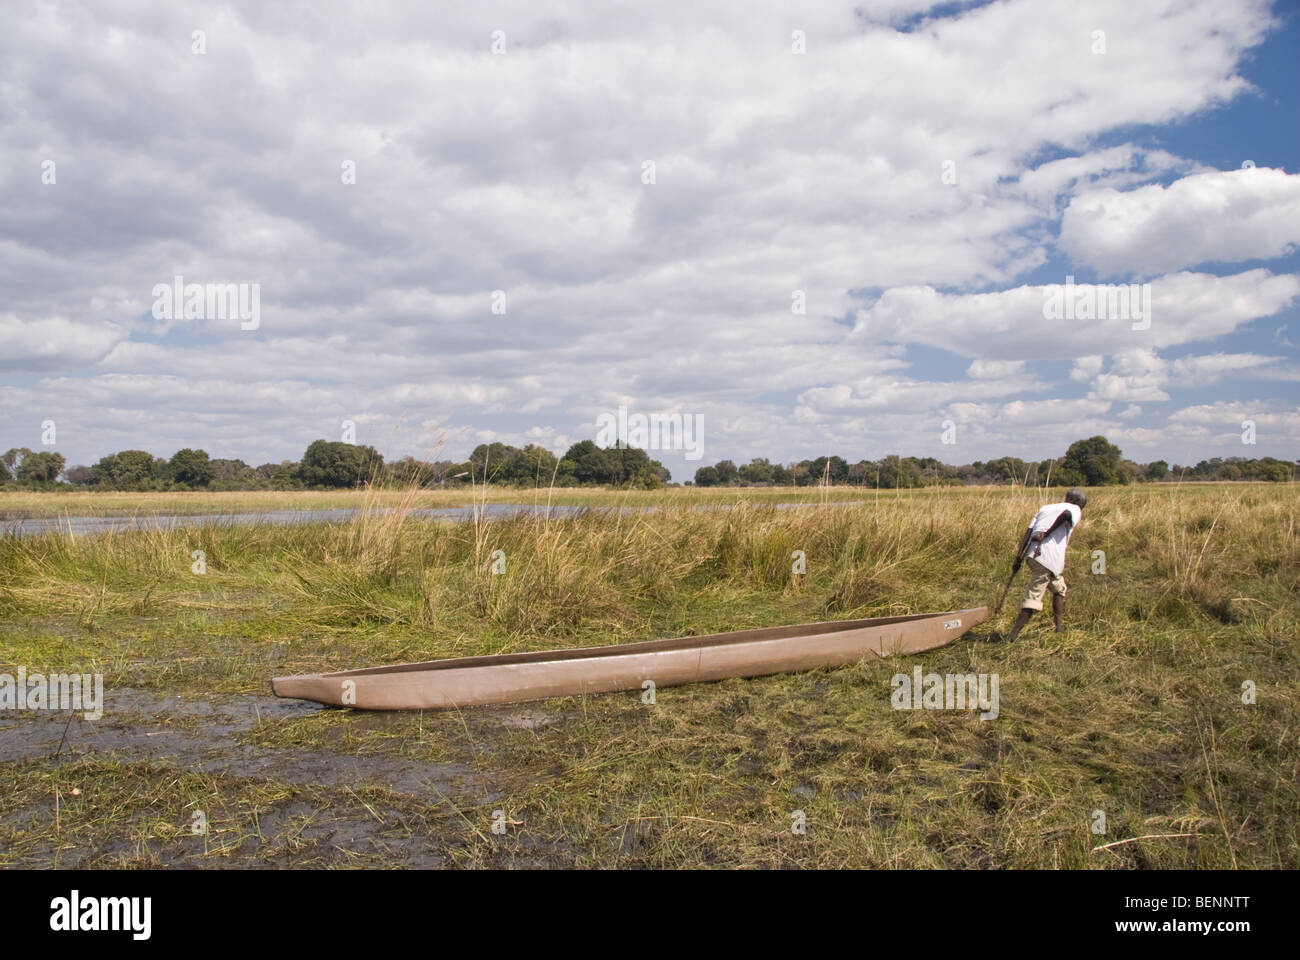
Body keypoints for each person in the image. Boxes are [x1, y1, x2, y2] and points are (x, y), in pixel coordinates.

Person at [1005, 488, 1087, 642]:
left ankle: (1059, 629)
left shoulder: (1045, 508)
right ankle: (1012, 637)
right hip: (1047, 558)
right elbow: (1066, 516)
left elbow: (1028, 533)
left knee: (1059, 588)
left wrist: (1019, 558)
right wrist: (1046, 534)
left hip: (1032, 555)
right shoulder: (1074, 508)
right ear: (1078, 502)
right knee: (1034, 597)